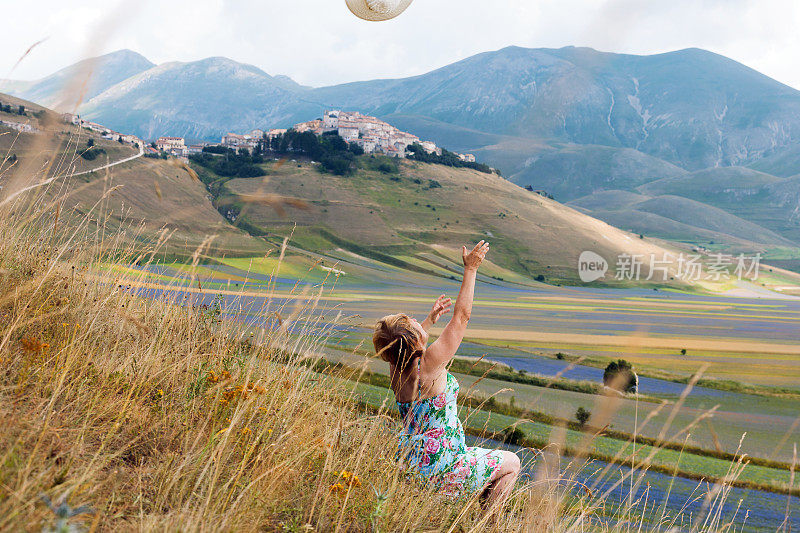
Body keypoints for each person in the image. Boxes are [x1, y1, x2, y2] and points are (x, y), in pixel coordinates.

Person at [372, 241, 520, 509]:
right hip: (444, 464)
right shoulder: (430, 364)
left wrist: (427, 323)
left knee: (485, 460)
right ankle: (488, 521)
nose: (416, 319)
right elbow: (462, 317)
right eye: (413, 322)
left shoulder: (395, 368)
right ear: (416, 340)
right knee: (512, 463)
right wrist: (471, 269)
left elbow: (404, 346)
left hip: (411, 463)